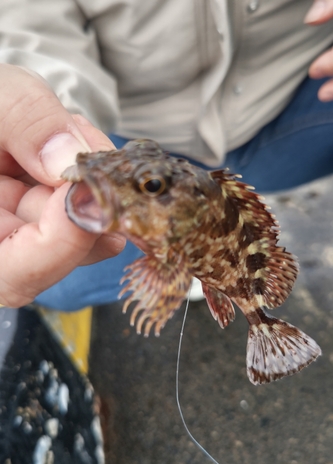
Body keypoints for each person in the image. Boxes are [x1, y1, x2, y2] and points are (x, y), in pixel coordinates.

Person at [0, 0, 333, 311]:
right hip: (136, 125)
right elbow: (28, 21)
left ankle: (199, 274)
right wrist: (61, 118)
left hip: (293, 98)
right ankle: (193, 277)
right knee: (57, 277)